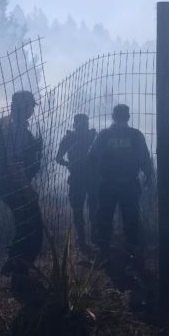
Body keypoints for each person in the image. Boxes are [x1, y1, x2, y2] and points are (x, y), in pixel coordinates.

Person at [0, 90, 43, 292]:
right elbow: (14, 162)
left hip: (7, 184)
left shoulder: (7, 122)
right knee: (33, 230)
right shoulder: (15, 128)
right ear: (24, 106)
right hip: (16, 186)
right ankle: (19, 273)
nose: (32, 109)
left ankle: (15, 267)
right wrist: (27, 189)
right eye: (31, 105)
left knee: (24, 227)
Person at [88, 104, 151, 262]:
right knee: (130, 219)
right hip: (128, 184)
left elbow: (92, 157)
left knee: (105, 218)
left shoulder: (104, 135)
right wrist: (148, 176)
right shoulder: (135, 135)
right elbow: (145, 159)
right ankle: (131, 252)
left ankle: (104, 252)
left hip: (108, 184)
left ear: (113, 117)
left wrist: (93, 177)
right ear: (128, 117)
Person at [56, 114, 97, 254]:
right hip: (80, 178)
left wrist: (69, 164)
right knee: (79, 209)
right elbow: (58, 157)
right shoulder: (71, 138)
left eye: (84, 123)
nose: (83, 126)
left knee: (91, 209)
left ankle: (92, 239)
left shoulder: (93, 136)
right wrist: (70, 165)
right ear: (75, 124)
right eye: (81, 123)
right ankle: (83, 239)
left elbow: (58, 158)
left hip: (92, 178)